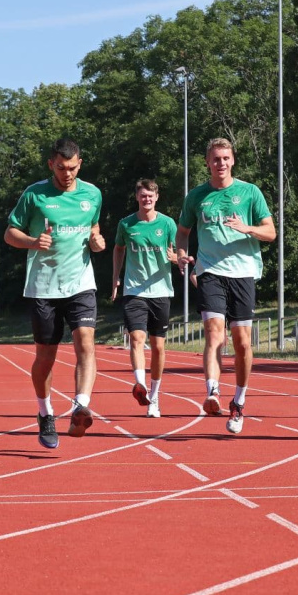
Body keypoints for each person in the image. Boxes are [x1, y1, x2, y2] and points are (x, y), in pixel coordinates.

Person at [4, 138, 105, 449]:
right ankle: (45, 413)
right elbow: (10, 233)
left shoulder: (92, 194)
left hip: (80, 283)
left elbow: (94, 228)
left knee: (85, 342)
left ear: (80, 164)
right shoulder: (35, 194)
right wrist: (33, 242)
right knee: (45, 358)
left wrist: (96, 240)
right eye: (61, 168)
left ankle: (80, 406)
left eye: (73, 168)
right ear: (51, 165)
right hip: (43, 286)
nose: (67, 174)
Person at [176, 138, 276, 435]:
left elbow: (270, 233)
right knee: (213, 332)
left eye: (226, 158)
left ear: (233, 161)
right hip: (210, 270)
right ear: (207, 162)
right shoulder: (196, 196)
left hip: (243, 272)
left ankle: (239, 402)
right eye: (215, 159)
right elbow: (183, 233)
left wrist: (248, 228)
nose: (221, 163)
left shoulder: (249, 192)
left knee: (242, 342)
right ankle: (212, 391)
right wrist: (183, 255)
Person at [111, 179, 178, 419]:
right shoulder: (126, 224)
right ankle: (139, 385)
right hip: (134, 290)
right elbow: (118, 249)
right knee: (136, 338)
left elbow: (179, 252)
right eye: (142, 196)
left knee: (158, 346)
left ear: (156, 197)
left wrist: (177, 259)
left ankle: (155, 396)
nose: (146, 199)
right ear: (137, 197)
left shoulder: (167, 223)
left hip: (161, 291)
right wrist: (115, 278)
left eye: (150, 196)